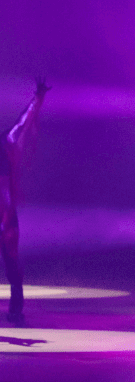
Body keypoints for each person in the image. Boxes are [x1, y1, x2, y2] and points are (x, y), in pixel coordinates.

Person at [0, 78, 49, 324]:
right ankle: (16, 308)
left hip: (5, 215)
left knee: (12, 264)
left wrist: (36, 101)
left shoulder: (4, 141)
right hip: (6, 213)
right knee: (12, 263)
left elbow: (22, 123)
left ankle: (16, 308)